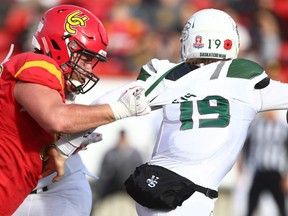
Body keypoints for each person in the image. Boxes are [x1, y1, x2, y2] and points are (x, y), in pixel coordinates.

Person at [91, 8, 288, 216]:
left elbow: (105, 102)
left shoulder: (167, 74)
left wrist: (72, 140)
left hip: (153, 187)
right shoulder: (245, 77)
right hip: (190, 197)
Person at [0, 4, 150, 216]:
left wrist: (64, 141)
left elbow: (28, 130)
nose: (89, 68)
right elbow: (56, 118)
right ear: (63, 45)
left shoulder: (44, 79)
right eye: (86, 58)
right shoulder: (37, 64)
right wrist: (120, 109)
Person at [243, 110, 288, 216]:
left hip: (275, 173)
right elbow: (246, 145)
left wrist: (286, 176)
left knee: (282, 208)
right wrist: (244, 163)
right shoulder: (256, 126)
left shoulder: (283, 128)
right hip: (259, 172)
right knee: (250, 206)